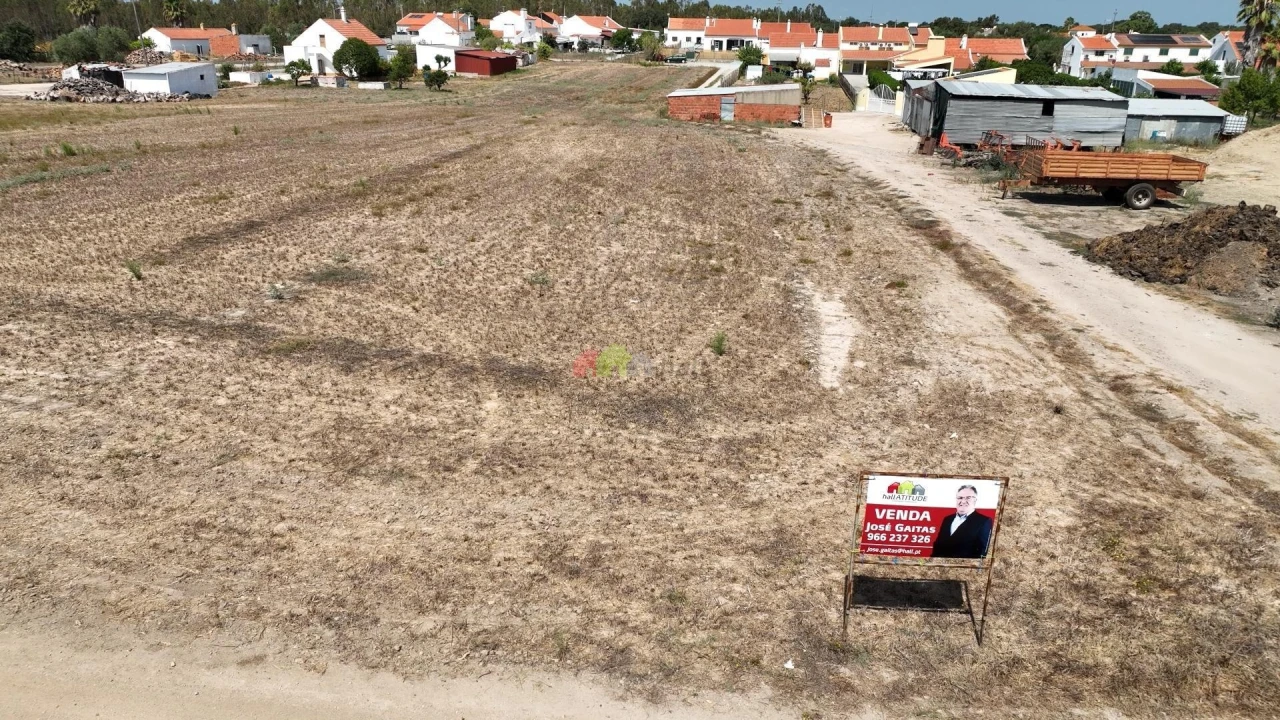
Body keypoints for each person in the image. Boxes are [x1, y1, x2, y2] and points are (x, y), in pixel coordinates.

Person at [931, 485, 993, 559]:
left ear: (975, 500)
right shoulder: (947, 519)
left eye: (968, 498)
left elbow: (982, 553)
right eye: (960, 498)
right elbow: (938, 546)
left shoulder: (984, 521)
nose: (963, 501)